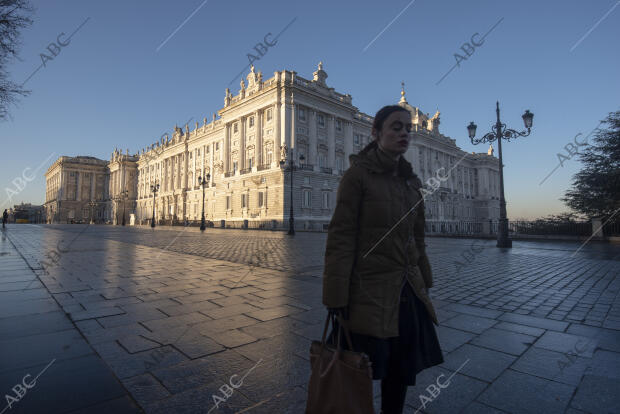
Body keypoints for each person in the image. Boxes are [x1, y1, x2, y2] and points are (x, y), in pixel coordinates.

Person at [322, 105, 444, 414]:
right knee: (359, 368)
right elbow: (341, 237)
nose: (404, 133)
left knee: (401, 371)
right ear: (376, 133)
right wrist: (336, 297)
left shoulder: (411, 183)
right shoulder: (357, 176)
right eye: (395, 127)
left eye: (407, 128)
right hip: (369, 292)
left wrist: (424, 281)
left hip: (407, 291)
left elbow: (417, 239)